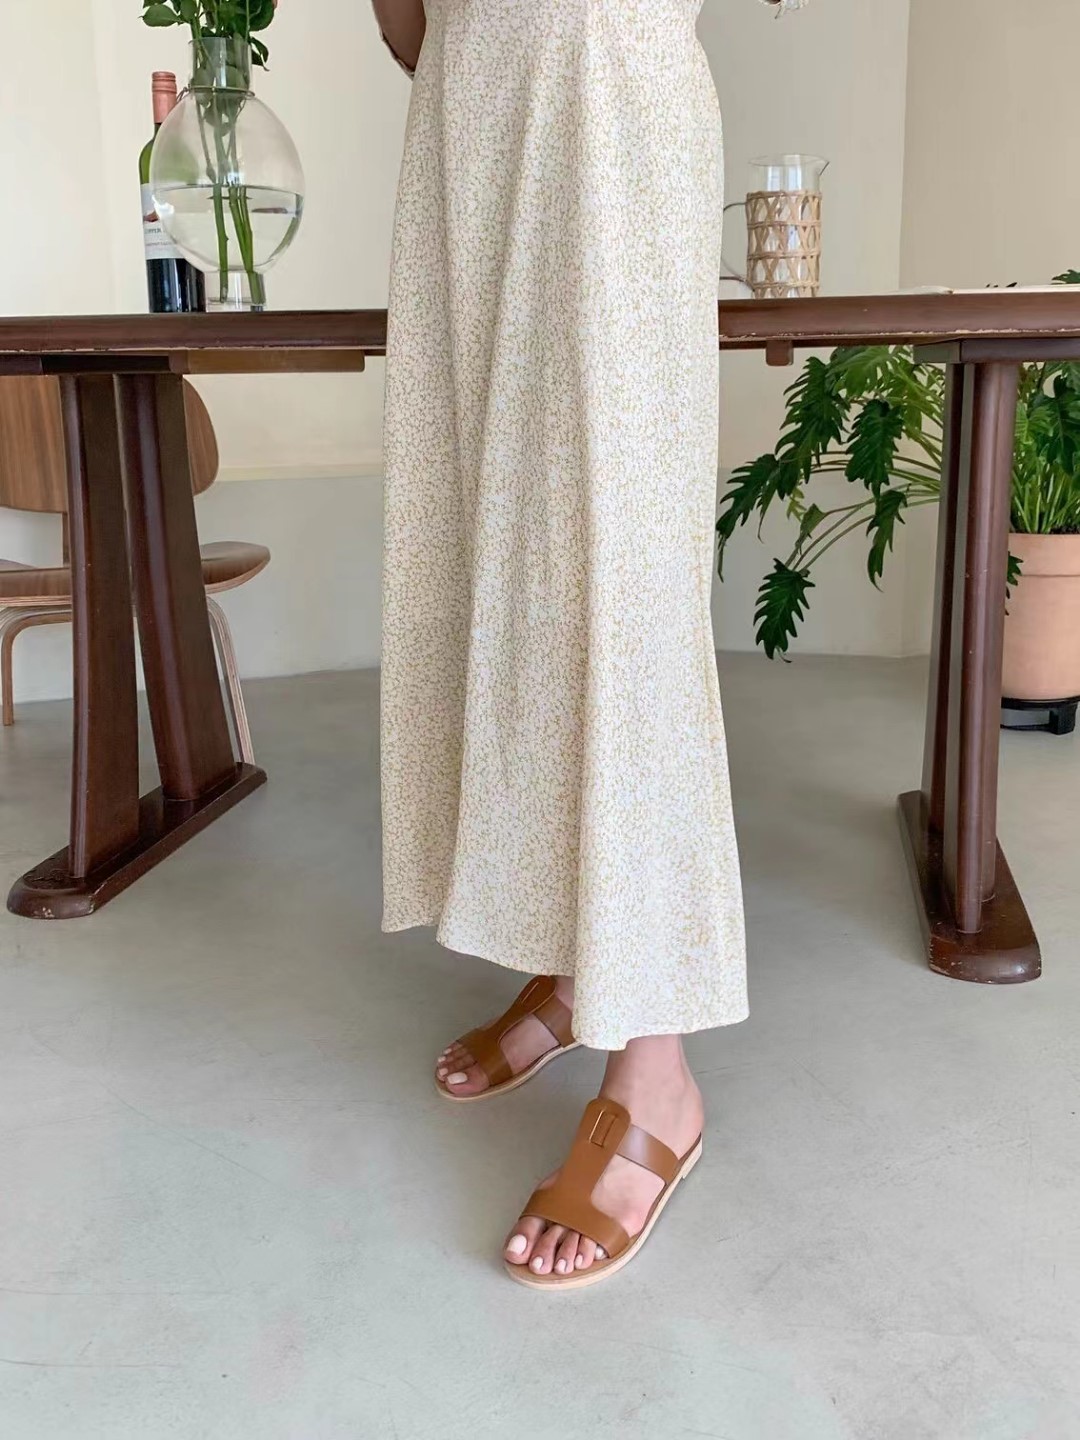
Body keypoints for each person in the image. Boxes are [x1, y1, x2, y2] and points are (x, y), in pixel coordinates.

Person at [373, 0, 802, 1291]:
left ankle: (655, 1072)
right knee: (489, 545)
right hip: (469, 97)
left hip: (606, 81)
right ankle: (578, 966)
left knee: (615, 563)